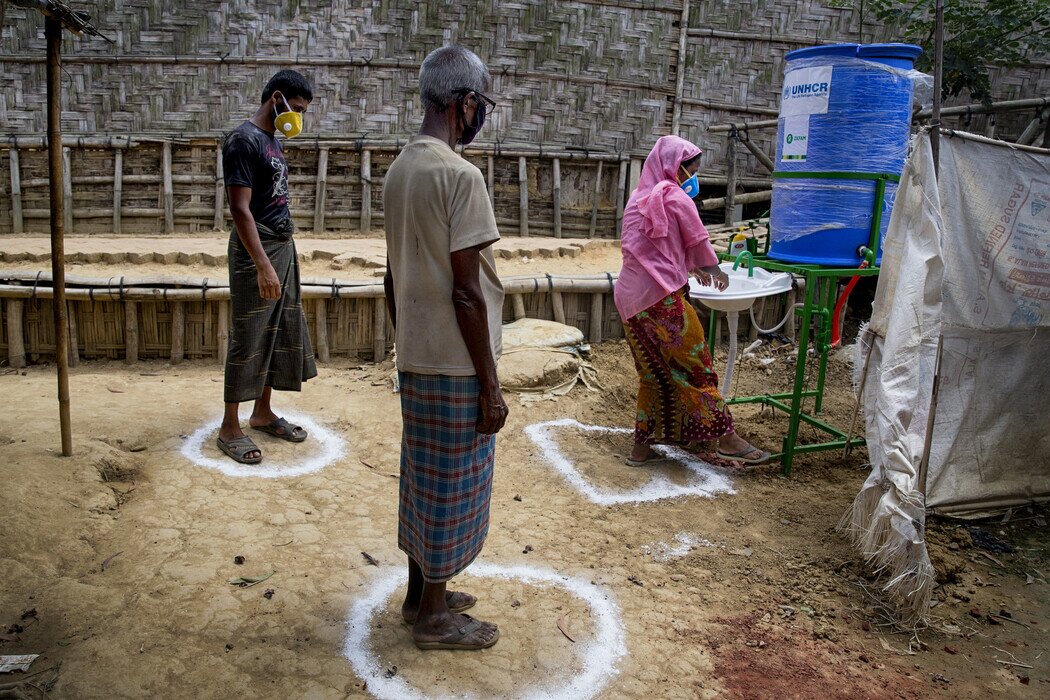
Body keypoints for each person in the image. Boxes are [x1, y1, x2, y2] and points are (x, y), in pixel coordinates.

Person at [383, 45, 507, 651]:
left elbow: (390, 278)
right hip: (457, 362)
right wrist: (490, 384)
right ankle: (433, 616)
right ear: (463, 104)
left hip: (418, 355)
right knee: (454, 484)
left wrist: (404, 342)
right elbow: (467, 294)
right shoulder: (461, 177)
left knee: (423, 477)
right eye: (482, 103)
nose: (483, 114)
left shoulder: (401, 169)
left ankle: (419, 595)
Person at [614, 135, 770, 467]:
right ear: (674, 167)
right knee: (698, 368)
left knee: (653, 374)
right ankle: (725, 438)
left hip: (629, 299)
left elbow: (653, 248)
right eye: (691, 170)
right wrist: (715, 270)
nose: (693, 177)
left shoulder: (638, 199)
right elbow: (698, 241)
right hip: (660, 299)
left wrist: (689, 268)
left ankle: (641, 451)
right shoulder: (674, 198)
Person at [215, 70, 318, 464]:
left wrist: (278, 257)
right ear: (277, 99)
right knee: (249, 332)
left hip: (281, 245)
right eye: (297, 108)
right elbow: (240, 209)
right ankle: (230, 426)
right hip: (254, 251)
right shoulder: (242, 140)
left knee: (277, 329)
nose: (298, 117)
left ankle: (261, 413)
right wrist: (262, 265)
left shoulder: (272, 140)